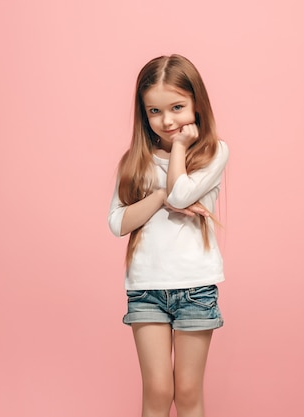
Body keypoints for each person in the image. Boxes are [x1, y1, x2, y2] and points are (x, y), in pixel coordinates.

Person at [108, 54, 229, 417]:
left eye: (177, 107)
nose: (167, 120)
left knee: (188, 391)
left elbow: (181, 193)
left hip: (195, 285)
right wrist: (159, 198)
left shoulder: (213, 152)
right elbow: (118, 223)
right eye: (154, 111)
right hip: (146, 287)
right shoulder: (135, 160)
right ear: (143, 114)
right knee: (158, 391)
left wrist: (177, 149)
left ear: (197, 105)